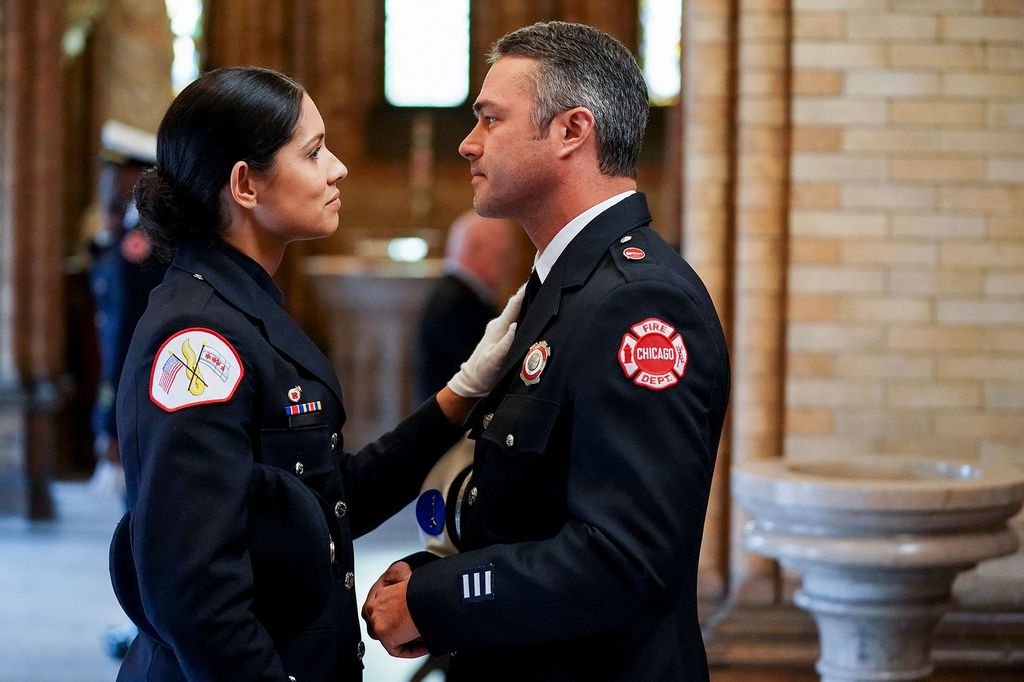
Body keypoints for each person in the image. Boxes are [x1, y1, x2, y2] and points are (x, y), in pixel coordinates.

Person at [107, 66, 523, 682]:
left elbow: (328, 500)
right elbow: (194, 593)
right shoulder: (199, 341)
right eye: (313, 152)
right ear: (245, 184)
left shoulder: (241, 307)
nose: (338, 169)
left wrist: (460, 394)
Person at [362, 21, 731, 681]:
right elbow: (538, 505)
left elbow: (627, 558)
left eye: (490, 120)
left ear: (571, 131)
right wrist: (436, 572)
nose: (468, 144)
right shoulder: (564, 287)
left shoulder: (637, 302)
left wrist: (441, 596)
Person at [87, 121, 167, 500]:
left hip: (137, 388)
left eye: (114, 174)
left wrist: (111, 424)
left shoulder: (139, 241)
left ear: (136, 177)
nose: (108, 183)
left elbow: (127, 330)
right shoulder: (135, 232)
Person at [414, 210, 519, 403]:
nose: (511, 265)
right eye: (504, 255)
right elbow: (482, 374)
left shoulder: (459, 294)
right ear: (474, 250)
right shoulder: (458, 304)